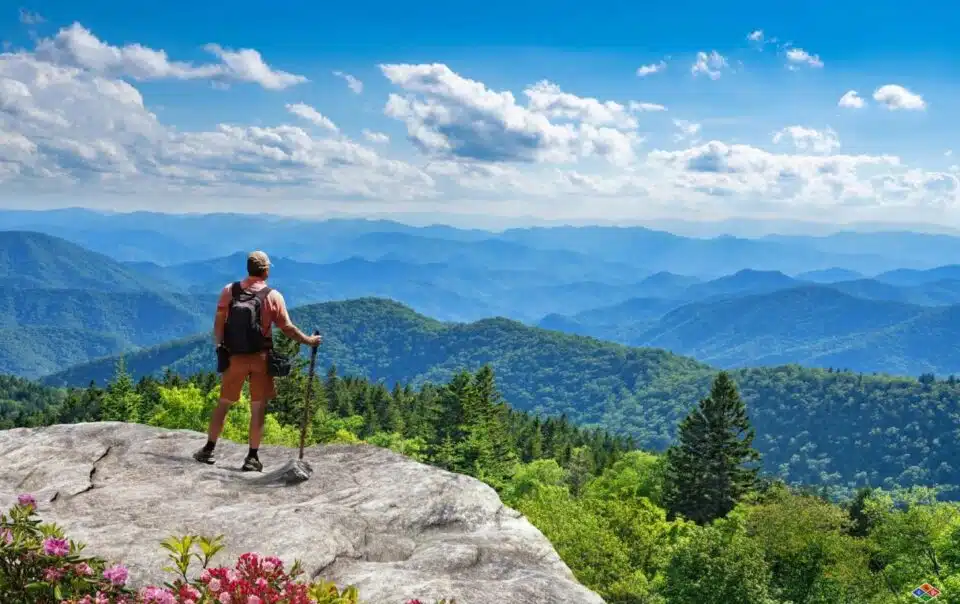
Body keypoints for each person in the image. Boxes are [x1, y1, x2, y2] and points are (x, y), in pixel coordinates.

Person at [193, 250, 321, 471]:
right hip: (261, 359)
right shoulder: (273, 296)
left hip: (234, 357)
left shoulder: (229, 291)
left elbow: (219, 324)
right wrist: (309, 341)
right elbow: (287, 328)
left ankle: (208, 449)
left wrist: (220, 348)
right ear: (266, 270)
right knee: (258, 408)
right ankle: (252, 458)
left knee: (223, 404)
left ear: (248, 268)